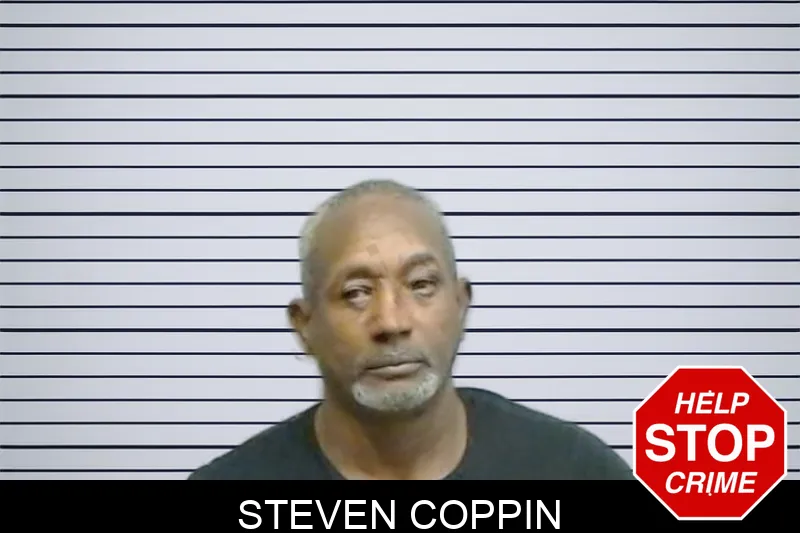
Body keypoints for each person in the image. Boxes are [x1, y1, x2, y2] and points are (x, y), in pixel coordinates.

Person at [188, 179, 633, 480]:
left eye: (421, 285)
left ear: (461, 306)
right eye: (356, 293)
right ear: (305, 326)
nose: (392, 322)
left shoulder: (575, 471)